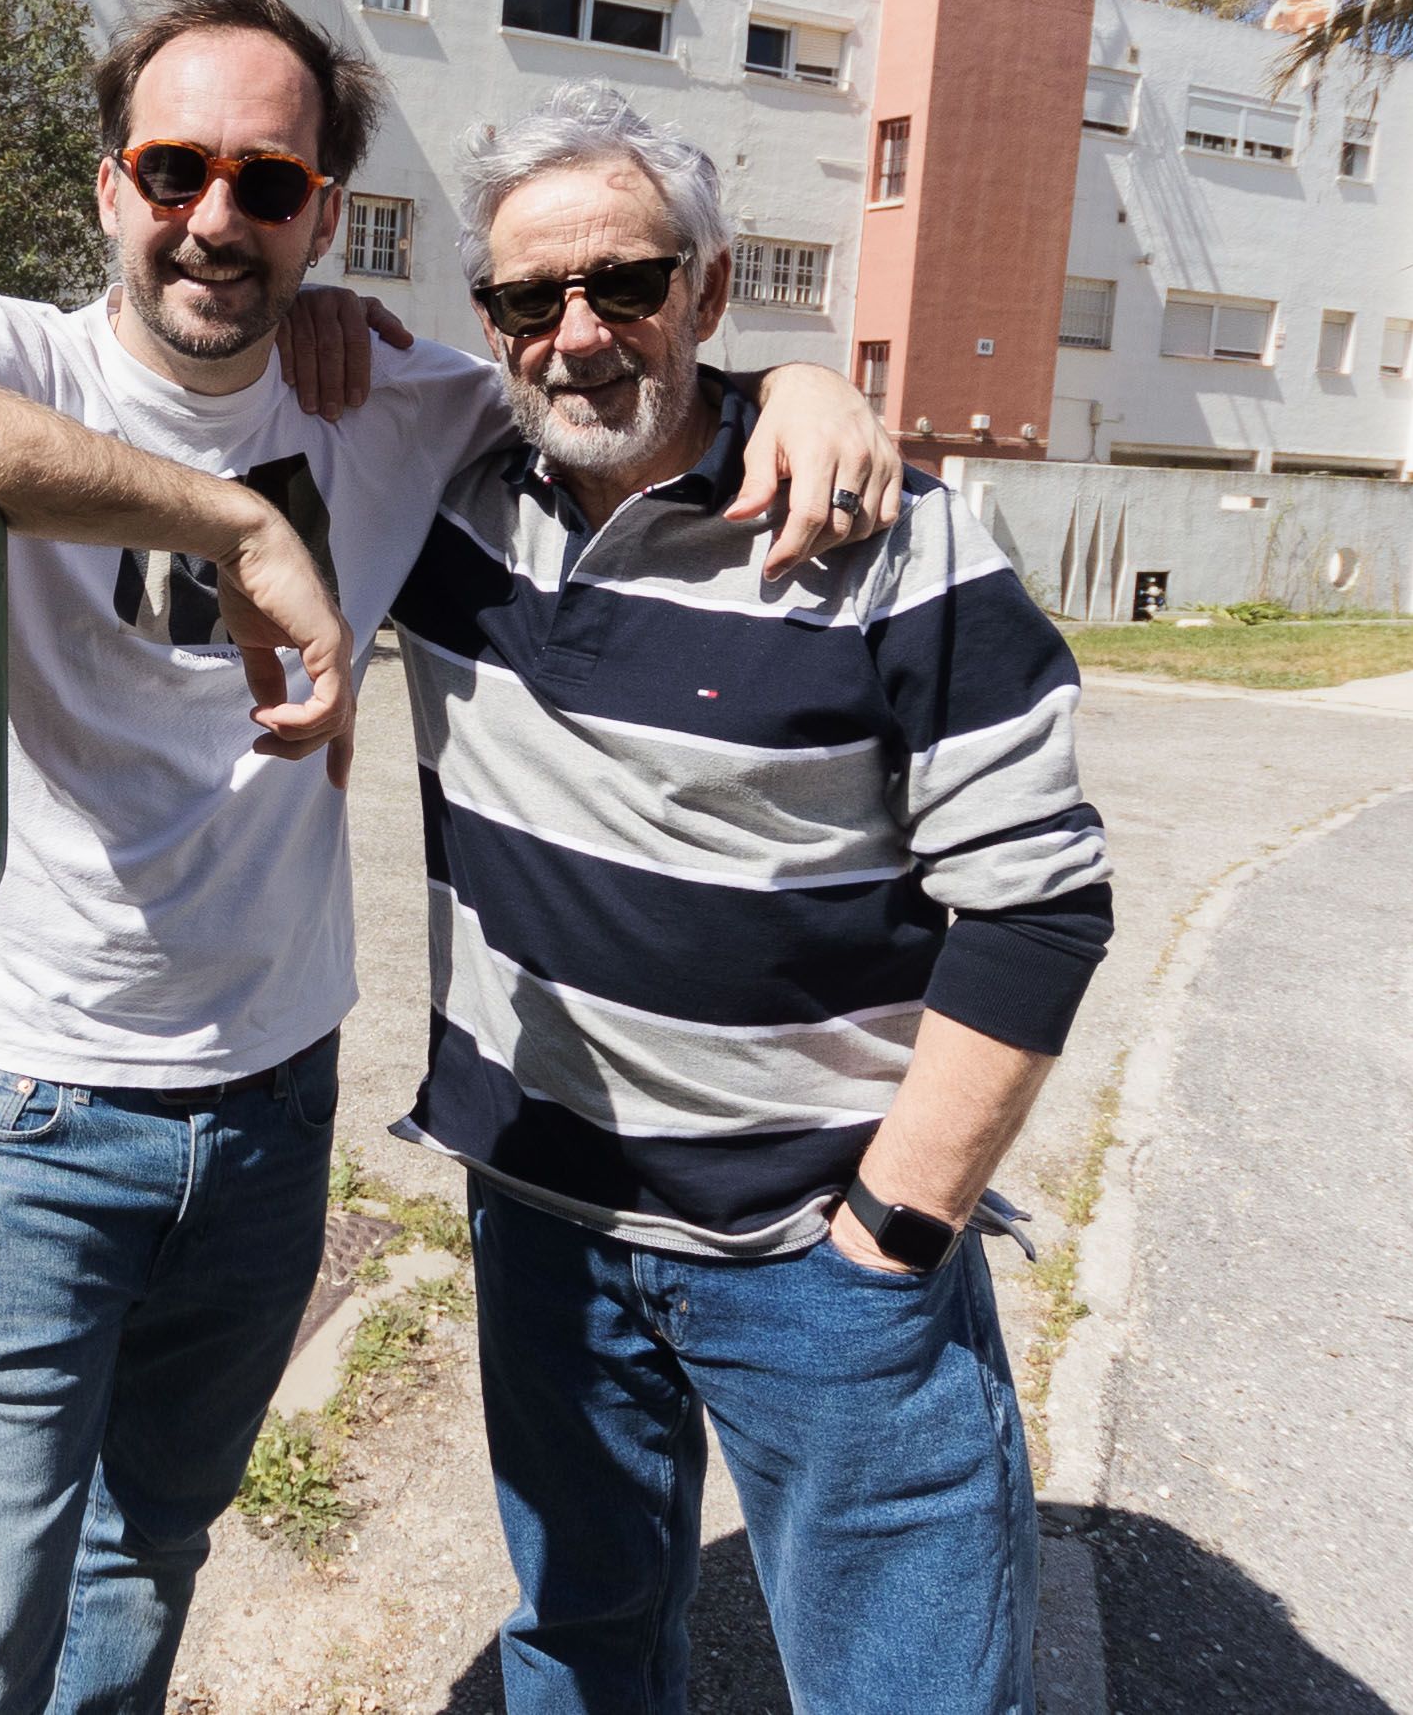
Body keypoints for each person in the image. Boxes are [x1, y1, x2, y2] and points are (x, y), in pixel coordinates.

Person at [0, 0, 901, 1715]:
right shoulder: (25, 355)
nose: (215, 216)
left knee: (150, 1559)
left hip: (274, 1100)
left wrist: (807, 384)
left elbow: (613, 375)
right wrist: (229, 518)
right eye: (176, 171)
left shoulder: (393, 397)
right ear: (112, 190)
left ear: (325, 217)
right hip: (35, 1109)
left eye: (269, 184)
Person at [387, 82, 1112, 1713]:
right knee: (576, 1647)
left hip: (819, 1256)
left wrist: (893, 1232)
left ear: (708, 293)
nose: (575, 335)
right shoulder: (437, 509)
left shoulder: (896, 541)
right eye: (527, 297)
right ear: (489, 320)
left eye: (626, 285)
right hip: (549, 1227)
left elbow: (1040, 902)